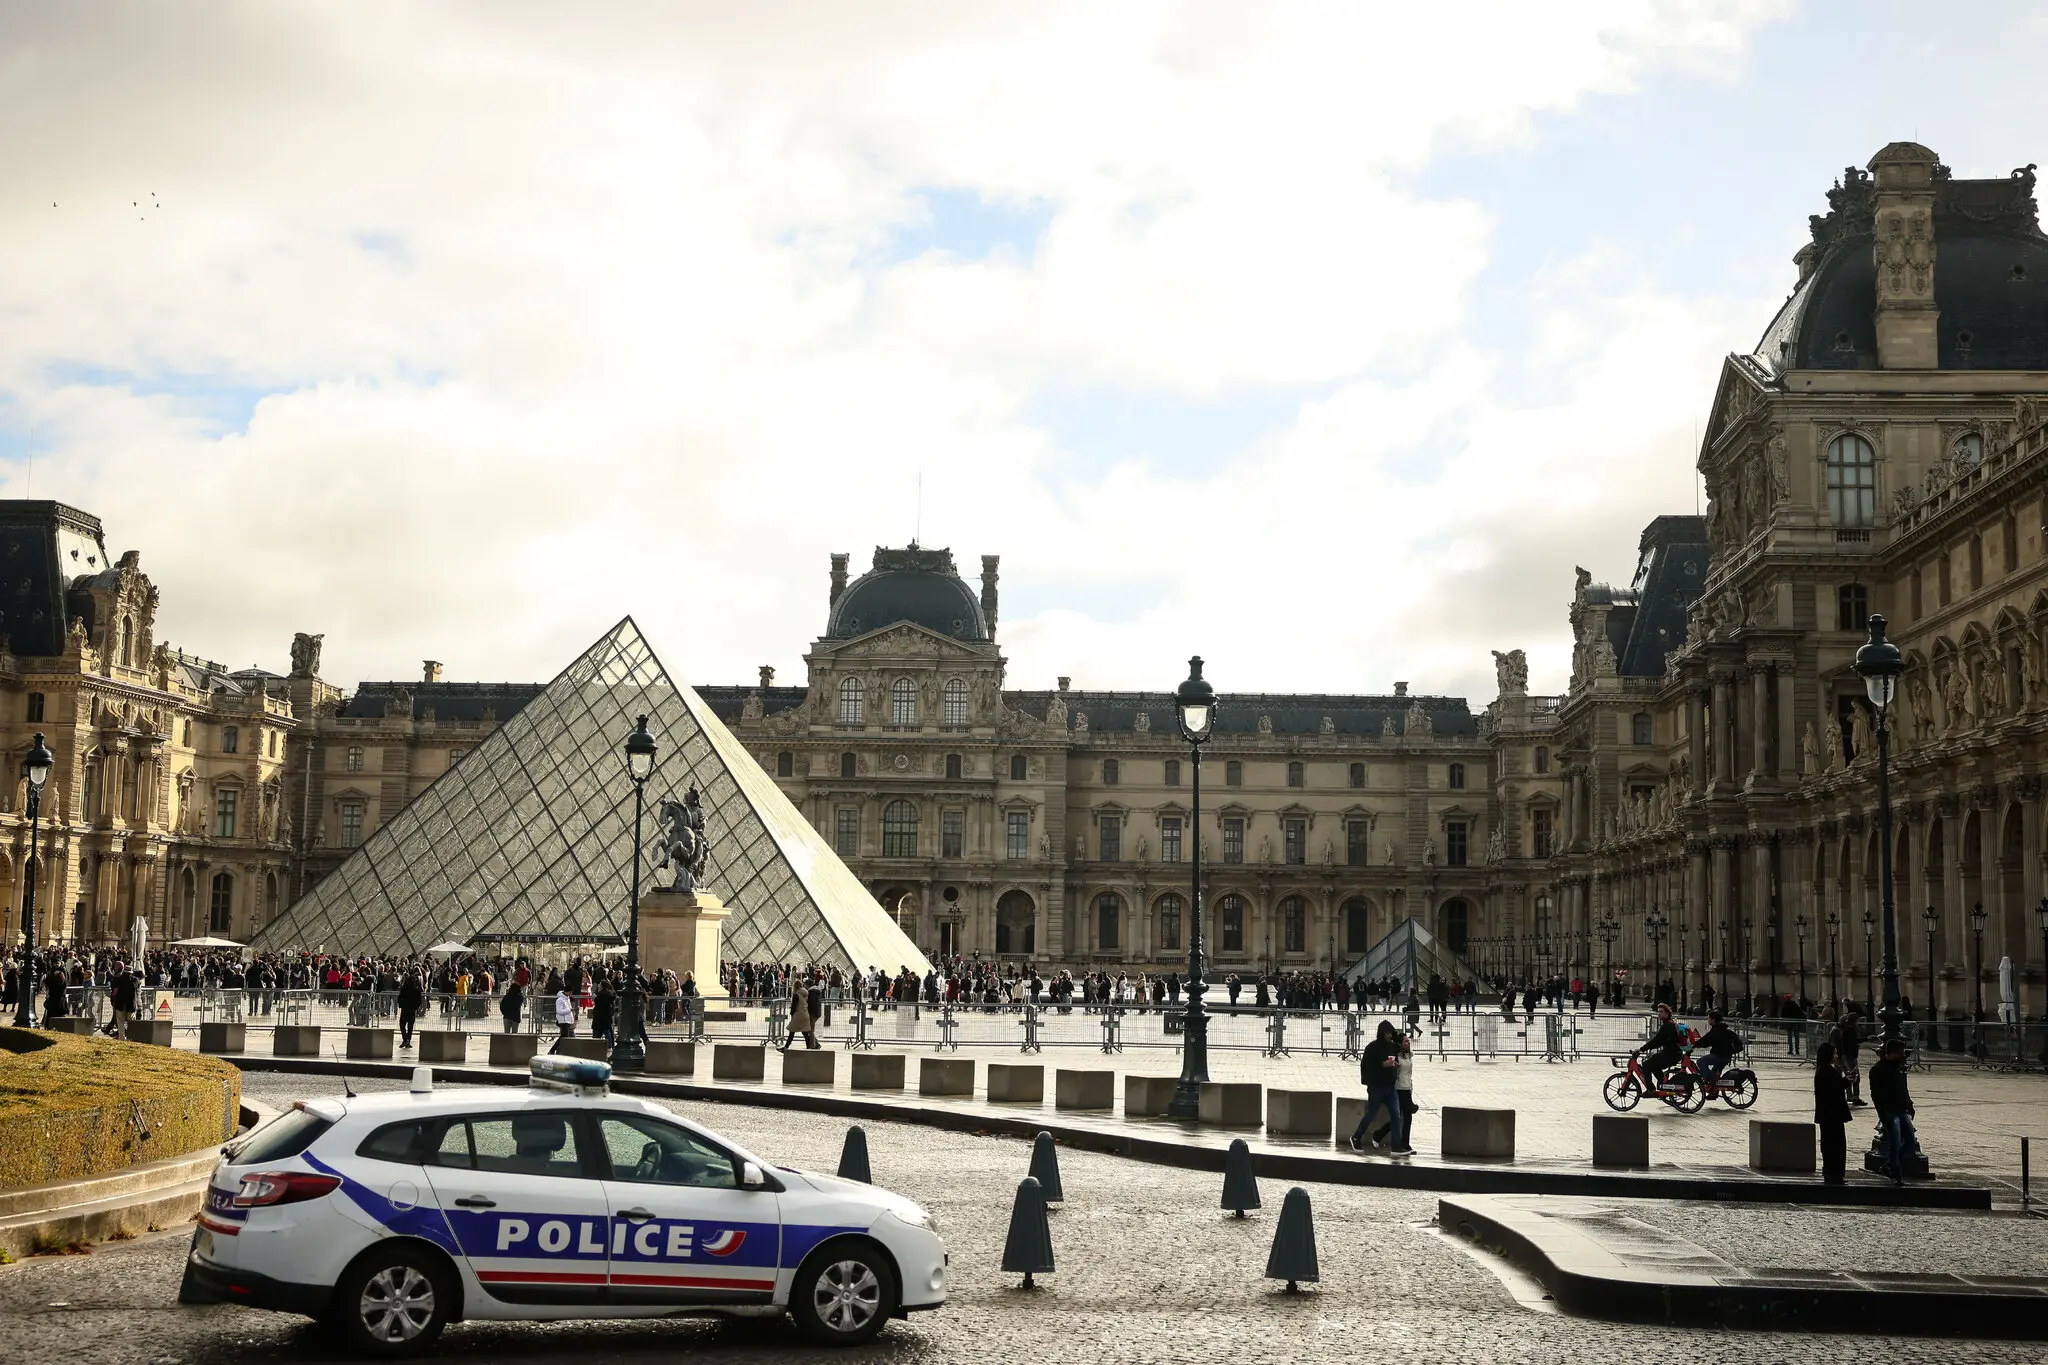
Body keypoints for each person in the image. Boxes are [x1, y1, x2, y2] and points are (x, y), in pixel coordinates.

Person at [1868, 1036, 1920, 1187]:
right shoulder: (1877, 1070)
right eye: (1900, 1052)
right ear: (1891, 1053)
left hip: (1901, 1110)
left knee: (1910, 1141)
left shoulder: (1898, 1067)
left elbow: (1903, 1088)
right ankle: (1896, 1175)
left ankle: (1889, 1166)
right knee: (1895, 1143)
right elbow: (1875, 1094)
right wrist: (1882, 1111)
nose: (1903, 1055)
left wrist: (1909, 1104)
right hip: (1889, 1111)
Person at [1348, 1021, 1405, 1154]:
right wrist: (1382, 1064)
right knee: (1371, 1114)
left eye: (1390, 1033)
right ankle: (1356, 1137)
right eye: (1387, 1033)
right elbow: (1367, 1065)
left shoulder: (1392, 1047)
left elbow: (1395, 1057)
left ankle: (1396, 1147)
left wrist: (1394, 1065)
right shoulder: (1372, 1047)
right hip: (1376, 1087)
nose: (1389, 1036)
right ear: (1382, 1033)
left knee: (1396, 1116)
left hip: (1390, 1087)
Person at [1813, 1040, 1853, 1185]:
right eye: (1834, 1053)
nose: (1836, 1056)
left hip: (1827, 1114)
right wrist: (1845, 1082)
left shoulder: (1823, 1070)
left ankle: (1831, 1171)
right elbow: (1832, 1090)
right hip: (1832, 1114)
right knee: (1836, 1145)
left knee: (1830, 1144)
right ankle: (1834, 1173)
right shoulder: (1827, 1072)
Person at [1634, 1002, 1683, 1092]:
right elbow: (1658, 1041)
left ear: (1667, 1013)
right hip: (1673, 1054)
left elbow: (1657, 1041)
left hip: (1670, 1055)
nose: (1659, 1013)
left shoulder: (1668, 1026)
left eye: (1661, 1011)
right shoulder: (1669, 1024)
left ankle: (1650, 1089)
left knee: (1646, 1065)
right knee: (1653, 1063)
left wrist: (1642, 1049)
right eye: (1658, 1011)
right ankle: (1663, 1083)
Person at [1693, 1009, 1742, 1092]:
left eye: (1709, 1018)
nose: (1708, 1020)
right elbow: (1707, 1040)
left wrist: (1695, 1044)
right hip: (1726, 1056)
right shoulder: (1722, 1029)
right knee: (1714, 1074)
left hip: (1719, 1056)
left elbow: (1706, 1040)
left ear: (1713, 1020)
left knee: (1701, 1061)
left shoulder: (1716, 1030)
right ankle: (1713, 1090)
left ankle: (1709, 1081)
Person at [1832, 1009, 1864, 1105]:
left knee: (1846, 1076)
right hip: (1847, 1056)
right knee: (1853, 1077)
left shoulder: (1842, 1029)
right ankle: (1854, 1097)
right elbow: (1847, 1044)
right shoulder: (1848, 1030)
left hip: (1841, 1056)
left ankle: (1849, 1095)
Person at [782, 974, 818, 1051]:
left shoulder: (796, 994)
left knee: (792, 1031)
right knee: (804, 1032)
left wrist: (791, 1014)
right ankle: (808, 1047)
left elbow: (794, 1007)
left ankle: (786, 1047)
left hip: (798, 1015)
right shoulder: (805, 993)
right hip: (805, 1015)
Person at [396, 969, 425, 1050]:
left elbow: (400, 997)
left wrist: (401, 1005)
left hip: (405, 1008)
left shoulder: (404, 988)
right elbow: (419, 1001)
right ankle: (408, 1040)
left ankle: (405, 1039)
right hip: (412, 1009)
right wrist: (416, 1007)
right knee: (410, 1025)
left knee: (402, 1024)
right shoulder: (417, 990)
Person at [550, 985, 575, 1052]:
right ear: (567, 992)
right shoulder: (560, 1000)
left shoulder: (567, 999)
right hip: (563, 1021)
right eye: (570, 992)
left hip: (567, 1020)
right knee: (564, 1037)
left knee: (565, 1037)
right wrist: (569, 1010)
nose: (571, 994)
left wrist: (572, 1021)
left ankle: (555, 1050)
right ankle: (554, 1050)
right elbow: (559, 1011)